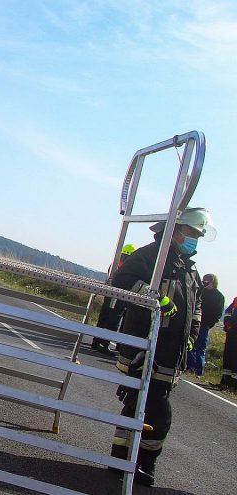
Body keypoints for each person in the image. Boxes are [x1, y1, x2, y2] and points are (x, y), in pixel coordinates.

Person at [110, 207, 214, 486]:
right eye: (191, 233)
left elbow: (196, 307)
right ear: (176, 229)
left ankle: (122, 459)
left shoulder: (187, 267)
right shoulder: (150, 256)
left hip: (171, 353)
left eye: (197, 235)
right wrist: (155, 299)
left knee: (141, 405)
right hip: (146, 348)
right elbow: (120, 280)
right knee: (157, 411)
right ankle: (143, 464)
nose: (193, 239)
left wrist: (190, 336)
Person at [91, 243, 138, 353]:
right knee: (114, 320)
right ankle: (105, 345)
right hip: (120, 296)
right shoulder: (129, 266)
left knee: (104, 317)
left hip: (110, 294)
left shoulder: (115, 263)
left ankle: (96, 342)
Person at [186, 273, 225, 376]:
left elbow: (218, 313)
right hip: (194, 323)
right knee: (190, 344)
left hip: (204, 326)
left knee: (200, 348)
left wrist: (208, 324)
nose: (204, 283)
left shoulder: (219, 296)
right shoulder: (200, 292)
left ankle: (198, 371)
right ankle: (189, 368)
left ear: (213, 282)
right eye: (203, 281)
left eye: (206, 281)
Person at [222, 297, 237, 390]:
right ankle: (225, 382)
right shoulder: (236, 300)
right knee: (228, 356)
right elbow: (227, 313)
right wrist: (228, 326)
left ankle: (234, 386)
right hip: (232, 333)